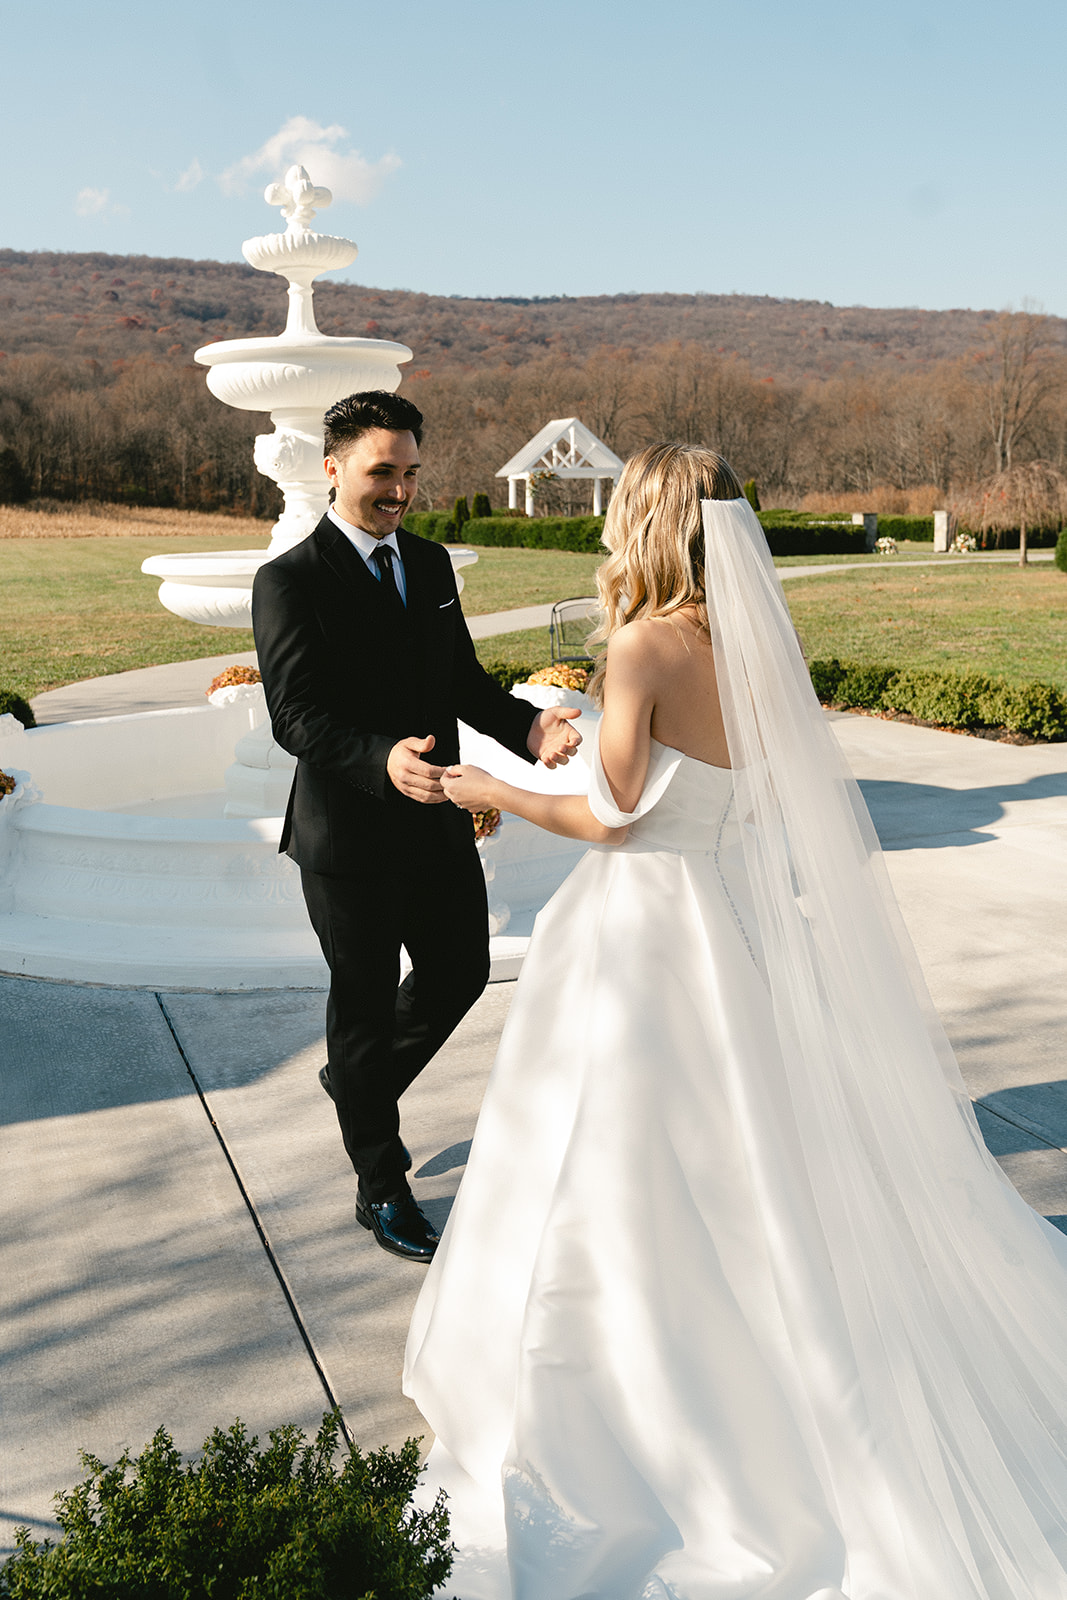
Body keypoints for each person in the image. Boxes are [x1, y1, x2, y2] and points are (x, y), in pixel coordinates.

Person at [404, 443, 1067, 1599]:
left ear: (642, 519)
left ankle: (623, 1421)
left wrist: (492, 788)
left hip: (639, 935)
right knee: (749, 1158)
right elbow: (707, 789)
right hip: (731, 919)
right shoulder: (749, 641)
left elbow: (613, 818)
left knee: (613, 1168)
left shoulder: (642, 643)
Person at [251, 390, 580, 1264]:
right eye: (381, 472)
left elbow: (463, 683)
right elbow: (294, 716)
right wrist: (375, 758)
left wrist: (528, 726)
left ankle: (356, 1088)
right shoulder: (288, 580)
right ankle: (380, 1184)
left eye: (410, 473)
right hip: (346, 838)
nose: (399, 490)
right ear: (333, 469)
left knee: (459, 974)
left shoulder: (429, 567)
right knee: (359, 1011)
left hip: (437, 823)